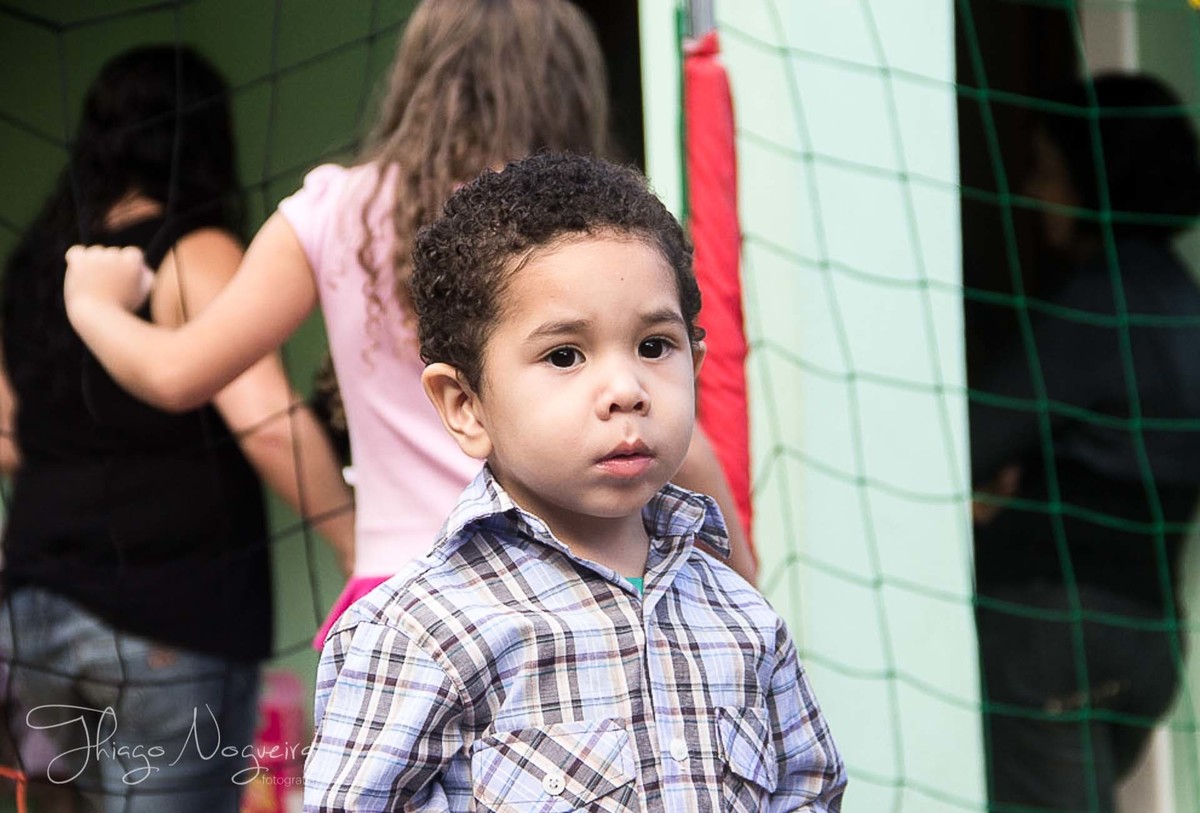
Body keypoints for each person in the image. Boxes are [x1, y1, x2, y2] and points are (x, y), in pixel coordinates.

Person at [60, 0, 757, 657]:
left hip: (402, 596)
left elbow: (177, 372)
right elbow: (679, 444)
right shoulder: (593, 237)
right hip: (575, 589)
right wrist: (747, 589)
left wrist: (92, 302)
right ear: (571, 90)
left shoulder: (342, 209)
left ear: (423, 75)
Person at [301, 152, 845, 811]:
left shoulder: (742, 618)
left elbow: (809, 790)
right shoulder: (420, 633)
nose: (626, 390)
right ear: (465, 404)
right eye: (565, 355)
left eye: (654, 346)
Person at [0, 45, 355, 811]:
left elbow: (5, 436)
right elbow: (265, 422)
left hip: (32, 611)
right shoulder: (192, 248)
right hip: (169, 612)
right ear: (204, 141)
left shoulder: (40, 263)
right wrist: (354, 540)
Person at [970, 72, 1200, 811]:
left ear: (1090, 178)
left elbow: (971, 440)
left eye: (1046, 170)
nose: (1036, 195)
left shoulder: (1097, 307)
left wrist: (998, 487)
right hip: (1152, 636)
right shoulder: (1185, 306)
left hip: (1053, 633)